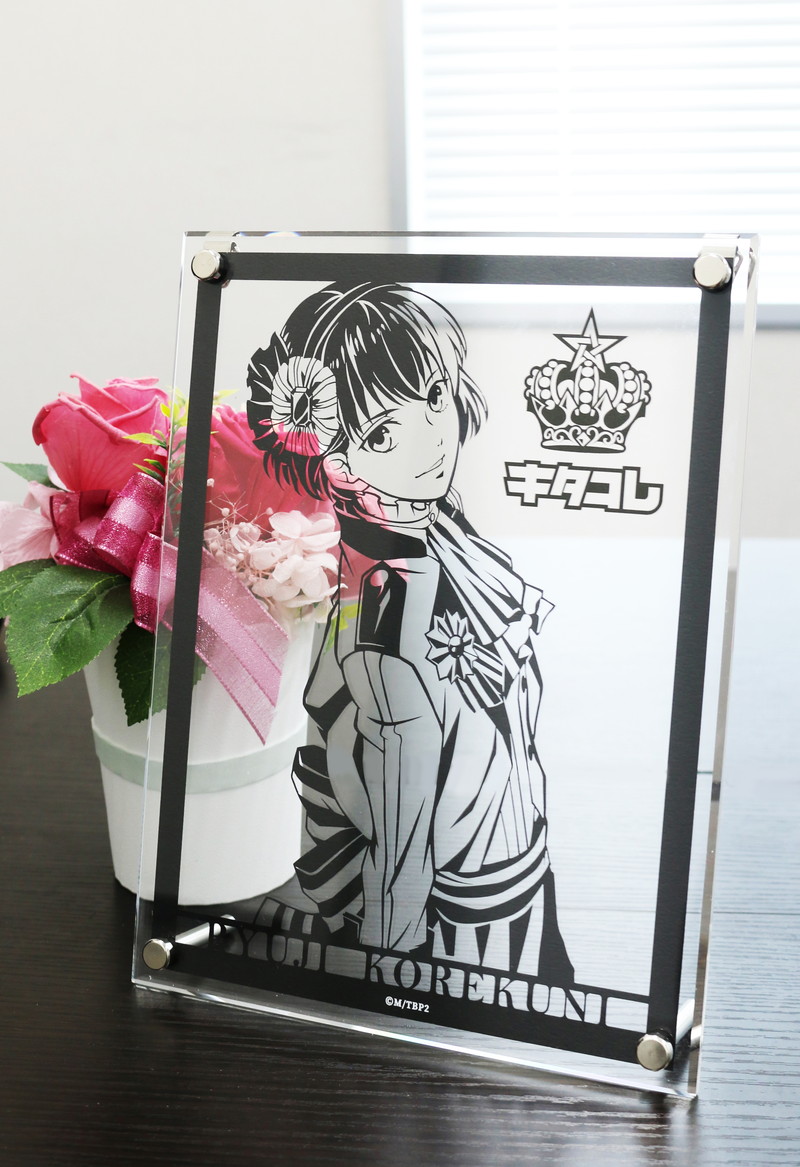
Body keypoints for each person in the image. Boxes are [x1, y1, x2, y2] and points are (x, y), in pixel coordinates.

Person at [247, 281, 573, 983]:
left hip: (510, 883)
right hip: (456, 931)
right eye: (382, 434)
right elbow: (401, 819)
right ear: (334, 460)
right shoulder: (384, 599)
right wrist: (391, 962)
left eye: (433, 393)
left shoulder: (443, 534)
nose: (433, 436)